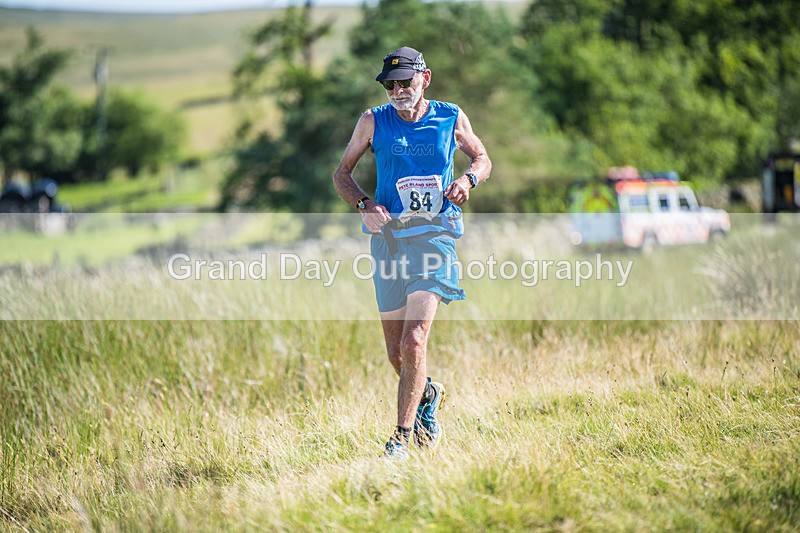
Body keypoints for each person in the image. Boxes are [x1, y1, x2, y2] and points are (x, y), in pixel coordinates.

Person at [333, 46, 492, 459]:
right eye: (390, 84)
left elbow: (481, 156)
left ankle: (400, 439)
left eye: (405, 81)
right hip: (389, 242)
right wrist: (364, 205)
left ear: (426, 78)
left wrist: (468, 180)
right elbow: (342, 173)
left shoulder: (450, 116)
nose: (398, 90)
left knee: (414, 341)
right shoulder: (372, 121)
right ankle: (427, 393)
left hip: (435, 238)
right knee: (395, 354)